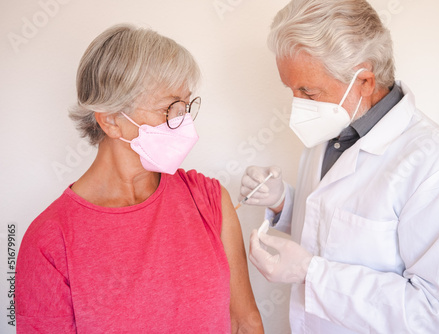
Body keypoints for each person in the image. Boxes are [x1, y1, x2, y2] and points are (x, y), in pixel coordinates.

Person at [239, 0, 439, 333]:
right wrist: (283, 203)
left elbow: (438, 316)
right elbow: (330, 227)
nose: (297, 107)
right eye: (291, 90)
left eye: (308, 92)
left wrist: (312, 275)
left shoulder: (435, 165)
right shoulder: (331, 130)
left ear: (365, 82)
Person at [16, 24, 264, 334]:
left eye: (186, 106)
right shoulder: (50, 242)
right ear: (111, 120)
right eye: (170, 108)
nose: (184, 122)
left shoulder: (209, 199)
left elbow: (244, 322)